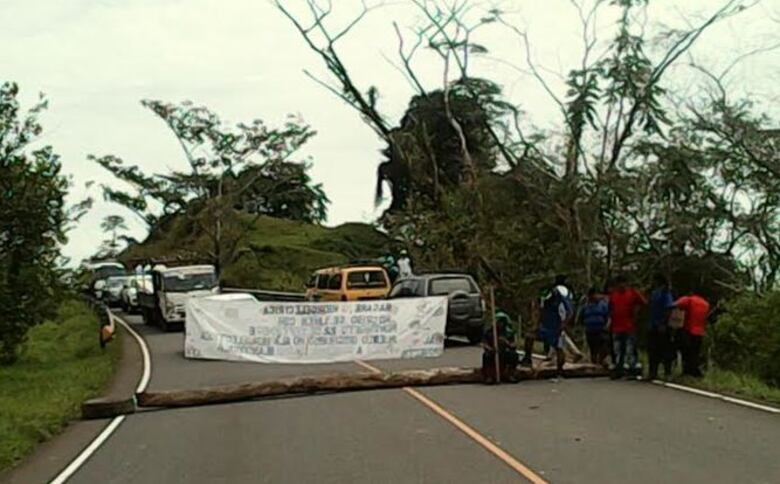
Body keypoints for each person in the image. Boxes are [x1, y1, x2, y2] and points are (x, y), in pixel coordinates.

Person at [608, 275, 646, 379]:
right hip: (616, 326)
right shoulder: (614, 295)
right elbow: (611, 309)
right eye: (619, 283)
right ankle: (619, 369)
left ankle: (632, 369)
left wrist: (636, 314)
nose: (621, 285)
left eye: (623, 283)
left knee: (630, 349)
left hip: (629, 326)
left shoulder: (632, 293)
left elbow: (643, 303)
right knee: (618, 350)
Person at [673, 293, 711, 377]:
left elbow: (675, 304)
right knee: (695, 353)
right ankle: (694, 372)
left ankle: (687, 372)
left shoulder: (689, 299)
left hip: (688, 330)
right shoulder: (705, 304)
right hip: (700, 332)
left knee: (686, 352)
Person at [540, 284, 573, 378]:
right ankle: (527, 359)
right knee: (530, 337)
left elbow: (569, 313)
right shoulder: (546, 300)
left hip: (557, 326)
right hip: (546, 326)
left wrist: (563, 324)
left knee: (559, 348)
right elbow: (541, 311)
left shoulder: (562, 300)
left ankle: (560, 370)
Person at [647, 274, 675, 380]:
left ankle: (668, 373)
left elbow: (669, 309)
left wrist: (664, 323)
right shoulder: (654, 293)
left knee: (665, 349)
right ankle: (652, 372)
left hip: (662, 325)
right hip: (653, 324)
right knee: (652, 350)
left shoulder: (665, 293)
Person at [482, 311, 519, 383]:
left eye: (502, 322)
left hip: (505, 352)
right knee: (486, 356)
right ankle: (489, 376)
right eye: (499, 322)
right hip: (493, 352)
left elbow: (514, 345)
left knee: (514, 355)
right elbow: (484, 343)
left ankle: (510, 374)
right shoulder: (489, 332)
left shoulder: (509, 332)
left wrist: (506, 343)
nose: (500, 324)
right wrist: (490, 349)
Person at [580, 288, 610, 366]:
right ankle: (594, 363)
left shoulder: (603, 304)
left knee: (603, 346)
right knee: (593, 348)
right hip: (590, 330)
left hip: (601, 329)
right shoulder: (585, 306)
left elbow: (608, 316)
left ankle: (601, 360)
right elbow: (580, 317)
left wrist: (607, 325)